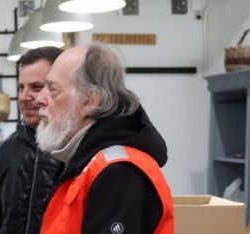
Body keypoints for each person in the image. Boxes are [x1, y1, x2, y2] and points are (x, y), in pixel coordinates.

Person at [35, 43, 174, 234]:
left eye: (53, 90)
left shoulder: (119, 172)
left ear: (89, 101)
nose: (40, 99)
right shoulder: (86, 162)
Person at [0, 47, 63, 234]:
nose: (24, 97)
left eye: (36, 87)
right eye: (20, 87)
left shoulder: (77, 151)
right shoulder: (7, 149)